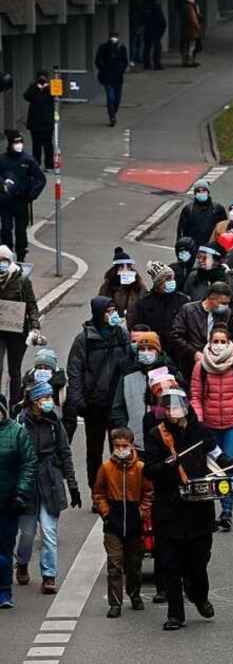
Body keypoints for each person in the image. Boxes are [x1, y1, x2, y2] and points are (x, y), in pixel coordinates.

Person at [144, 388, 233, 630]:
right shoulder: (156, 435)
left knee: (199, 560)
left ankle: (199, 594)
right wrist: (166, 465)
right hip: (169, 507)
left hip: (198, 508)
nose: (173, 412)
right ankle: (175, 614)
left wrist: (232, 464)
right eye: (169, 408)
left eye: (177, 406)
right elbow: (148, 470)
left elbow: (217, 455)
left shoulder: (201, 431)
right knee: (170, 564)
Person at [13, 382, 79, 596]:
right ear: (34, 402)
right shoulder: (21, 423)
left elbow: (64, 452)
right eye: (45, 398)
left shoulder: (54, 422)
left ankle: (49, 576)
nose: (50, 401)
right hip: (28, 482)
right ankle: (21, 562)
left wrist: (72, 484)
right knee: (27, 534)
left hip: (50, 481)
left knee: (49, 532)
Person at [189, 324, 233, 532]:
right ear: (209, 343)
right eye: (215, 341)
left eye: (222, 341)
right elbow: (196, 396)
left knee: (228, 467)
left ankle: (226, 510)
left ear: (229, 343)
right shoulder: (201, 366)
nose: (218, 345)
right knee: (208, 469)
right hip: (209, 425)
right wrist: (198, 420)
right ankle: (207, 510)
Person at [67, 297, 132, 491]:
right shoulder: (84, 339)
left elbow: (130, 363)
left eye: (114, 310)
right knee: (94, 451)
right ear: (98, 313)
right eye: (108, 311)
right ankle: (97, 491)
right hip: (94, 404)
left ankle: (118, 489)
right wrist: (78, 399)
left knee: (119, 448)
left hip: (118, 403)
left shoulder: (121, 334)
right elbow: (75, 370)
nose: (113, 314)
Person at [92, 427, 152, 617]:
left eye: (124, 445)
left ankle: (134, 594)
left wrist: (142, 513)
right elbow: (98, 493)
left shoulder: (141, 468)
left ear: (131, 445)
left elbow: (149, 493)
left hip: (135, 525)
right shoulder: (106, 468)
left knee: (134, 565)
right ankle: (115, 603)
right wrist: (106, 513)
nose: (120, 449)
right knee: (114, 565)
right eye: (117, 446)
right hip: (113, 525)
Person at [110, 331, 183, 453]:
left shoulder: (170, 374)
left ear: (158, 351)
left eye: (150, 348)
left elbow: (181, 406)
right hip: (136, 443)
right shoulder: (127, 376)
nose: (146, 352)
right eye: (142, 349)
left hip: (165, 443)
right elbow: (117, 408)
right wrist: (126, 430)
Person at [0, 393, 36, 609]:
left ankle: (4, 591)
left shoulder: (17, 433)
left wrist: (20, 492)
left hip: (7, 503)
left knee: (4, 550)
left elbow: (28, 464)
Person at [0, 245, 41, 404]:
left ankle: (14, 404)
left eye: (4, 260)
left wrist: (35, 327)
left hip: (17, 331)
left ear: (10, 261)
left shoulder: (22, 280)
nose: (2, 263)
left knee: (14, 371)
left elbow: (32, 305)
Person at [169, 281, 233, 380]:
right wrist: (193, 352)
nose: (225, 306)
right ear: (211, 297)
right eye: (223, 303)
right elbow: (175, 335)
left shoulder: (226, 313)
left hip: (216, 363)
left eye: (227, 303)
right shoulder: (189, 310)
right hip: (191, 363)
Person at [0, 131, 46, 262]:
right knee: (6, 229)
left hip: (21, 201)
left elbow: (40, 179)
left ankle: (21, 255)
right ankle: (6, 255)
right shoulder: (2, 160)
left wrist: (31, 194)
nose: (18, 145)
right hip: (5, 202)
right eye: (16, 142)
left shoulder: (27, 160)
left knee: (21, 231)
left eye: (20, 142)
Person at [99, 246, 147, 320]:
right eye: (121, 267)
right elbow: (101, 307)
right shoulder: (108, 285)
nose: (126, 270)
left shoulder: (139, 285)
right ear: (116, 269)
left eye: (128, 266)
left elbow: (146, 304)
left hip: (135, 326)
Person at [176, 181, 227, 246]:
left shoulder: (217, 208)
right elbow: (181, 230)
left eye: (204, 190)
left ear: (208, 192)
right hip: (193, 247)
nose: (201, 193)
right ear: (195, 193)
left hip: (212, 247)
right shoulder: (188, 209)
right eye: (198, 191)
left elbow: (224, 228)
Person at [94, 31, 129, 126]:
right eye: (112, 37)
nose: (114, 39)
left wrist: (121, 70)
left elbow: (125, 61)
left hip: (118, 78)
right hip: (107, 77)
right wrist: (103, 70)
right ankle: (112, 116)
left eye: (115, 37)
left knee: (117, 99)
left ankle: (113, 112)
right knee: (110, 97)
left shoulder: (121, 48)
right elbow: (98, 61)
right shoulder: (104, 47)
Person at [22, 72, 55, 169]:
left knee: (48, 145)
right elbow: (27, 96)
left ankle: (49, 165)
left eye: (43, 79)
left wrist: (46, 87)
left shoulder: (50, 88)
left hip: (47, 122)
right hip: (35, 123)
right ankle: (36, 165)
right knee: (36, 145)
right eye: (40, 79)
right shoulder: (33, 88)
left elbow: (56, 97)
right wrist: (35, 86)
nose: (42, 81)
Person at [140, 0, 167, 70]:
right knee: (157, 47)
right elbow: (163, 22)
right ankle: (157, 64)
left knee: (147, 47)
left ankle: (147, 64)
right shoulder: (156, 7)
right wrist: (161, 31)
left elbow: (141, 19)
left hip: (148, 30)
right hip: (155, 30)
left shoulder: (144, 7)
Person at [180, 0, 202, 66]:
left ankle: (185, 61)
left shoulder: (184, 7)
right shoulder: (190, 8)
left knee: (186, 45)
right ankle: (189, 61)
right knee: (191, 46)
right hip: (191, 30)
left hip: (185, 29)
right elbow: (193, 19)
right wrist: (198, 26)